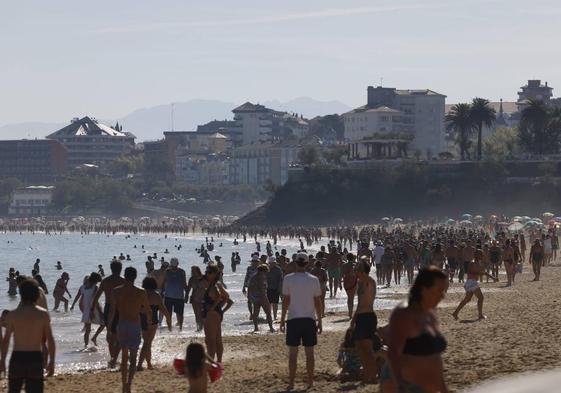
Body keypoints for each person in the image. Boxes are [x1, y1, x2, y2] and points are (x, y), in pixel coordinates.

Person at [382, 267, 449, 393]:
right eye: (440, 291)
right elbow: (393, 353)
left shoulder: (430, 313)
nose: (442, 296)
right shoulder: (404, 314)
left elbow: (435, 358)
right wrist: (400, 384)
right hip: (404, 384)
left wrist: (443, 388)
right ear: (424, 289)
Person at [1, 279, 56, 393]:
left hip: (17, 358)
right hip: (35, 358)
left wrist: (2, 362)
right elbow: (50, 340)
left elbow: (5, 341)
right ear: (36, 294)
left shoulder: (13, 315)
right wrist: (51, 362)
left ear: (20, 294)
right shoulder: (43, 314)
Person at [280, 252, 322, 390]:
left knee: (293, 354)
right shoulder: (314, 279)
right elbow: (318, 302)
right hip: (309, 320)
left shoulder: (288, 279)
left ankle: (291, 383)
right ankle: (310, 382)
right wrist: (320, 320)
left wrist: (282, 319)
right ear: (307, 263)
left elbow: (285, 301)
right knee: (310, 354)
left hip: (293, 320)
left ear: (295, 262)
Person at [109, 267, 150, 393]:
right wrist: (148, 321)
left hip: (122, 324)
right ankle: (129, 384)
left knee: (124, 358)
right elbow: (147, 310)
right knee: (133, 358)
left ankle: (123, 385)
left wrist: (110, 327)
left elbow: (112, 311)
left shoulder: (116, 291)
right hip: (134, 324)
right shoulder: (141, 292)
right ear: (135, 277)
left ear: (124, 276)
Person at [91, 260, 126, 368]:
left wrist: (92, 309)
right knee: (121, 334)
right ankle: (116, 358)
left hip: (109, 307)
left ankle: (113, 359)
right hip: (121, 308)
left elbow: (96, 297)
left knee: (110, 334)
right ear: (120, 269)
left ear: (111, 269)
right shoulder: (124, 281)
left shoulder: (105, 281)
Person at [351, 257, 378, 383]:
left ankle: (372, 375)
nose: (354, 270)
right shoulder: (360, 283)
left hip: (368, 317)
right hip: (361, 316)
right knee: (358, 346)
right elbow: (359, 303)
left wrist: (362, 263)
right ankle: (367, 372)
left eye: (357, 269)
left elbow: (365, 273)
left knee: (367, 348)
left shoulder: (369, 281)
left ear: (362, 270)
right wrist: (353, 319)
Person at [200, 264, 233, 362]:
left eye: (209, 272)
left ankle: (212, 363)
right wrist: (220, 309)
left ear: (215, 274)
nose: (207, 274)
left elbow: (225, 296)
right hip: (216, 313)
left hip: (212, 314)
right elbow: (228, 300)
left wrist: (213, 307)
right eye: (206, 272)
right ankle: (218, 362)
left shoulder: (215, 284)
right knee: (217, 339)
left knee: (210, 341)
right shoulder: (213, 284)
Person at [137, 277, 171, 371]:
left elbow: (137, 308)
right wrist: (168, 320)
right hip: (153, 320)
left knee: (147, 343)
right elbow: (163, 308)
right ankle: (141, 364)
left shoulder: (141, 294)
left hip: (143, 319)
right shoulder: (156, 295)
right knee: (147, 343)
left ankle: (148, 363)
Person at [70, 273, 104, 348]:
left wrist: (73, 305)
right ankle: (92, 339)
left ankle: (86, 345)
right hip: (93, 309)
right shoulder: (95, 287)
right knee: (103, 323)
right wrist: (99, 311)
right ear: (95, 281)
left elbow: (77, 297)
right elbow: (96, 300)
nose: (97, 283)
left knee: (88, 329)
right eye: (97, 281)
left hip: (87, 310)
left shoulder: (83, 287)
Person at [163, 257, 189, 330]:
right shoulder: (181, 271)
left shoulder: (167, 271)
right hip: (178, 296)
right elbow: (184, 284)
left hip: (170, 296)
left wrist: (162, 292)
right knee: (179, 313)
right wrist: (187, 294)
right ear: (178, 263)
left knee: (169, 314)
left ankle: (170, 328)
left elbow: (163, 283)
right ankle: (179, 328)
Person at [248, 264, 275, 332]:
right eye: (266, 271)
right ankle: (271, 328)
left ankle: (256, 328)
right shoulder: (261, 277)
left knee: (256, 313)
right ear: (263, 271)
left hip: (255, 297)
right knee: (268, 312)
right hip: (262, 296)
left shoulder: (253, 277)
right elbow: (261, 288)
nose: (266, 273)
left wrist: (250, 297)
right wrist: (264, 298)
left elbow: (249, 288)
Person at [186, 266, 205, 331]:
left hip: (203, 298)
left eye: (194, 271)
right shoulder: (191, 279)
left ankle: (203, 326)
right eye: (192, 271)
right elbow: (188, 289)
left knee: (202, 313)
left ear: (198, 270)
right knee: (196, 313)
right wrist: (186, 296)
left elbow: (208, 287)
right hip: (194, 298)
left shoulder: (203, 277)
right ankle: (198, 327)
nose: (192, 272)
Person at [341, 253, 358, 319]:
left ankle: (350, 313)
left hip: (346, 282)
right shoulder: (355, 265)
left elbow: (341, 275)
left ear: (347, 258)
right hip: (354, 281)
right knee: (352, 298)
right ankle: (350, 313)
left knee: (349, 297)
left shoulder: (344, 265)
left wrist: (340, 283)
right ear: (353, 258)